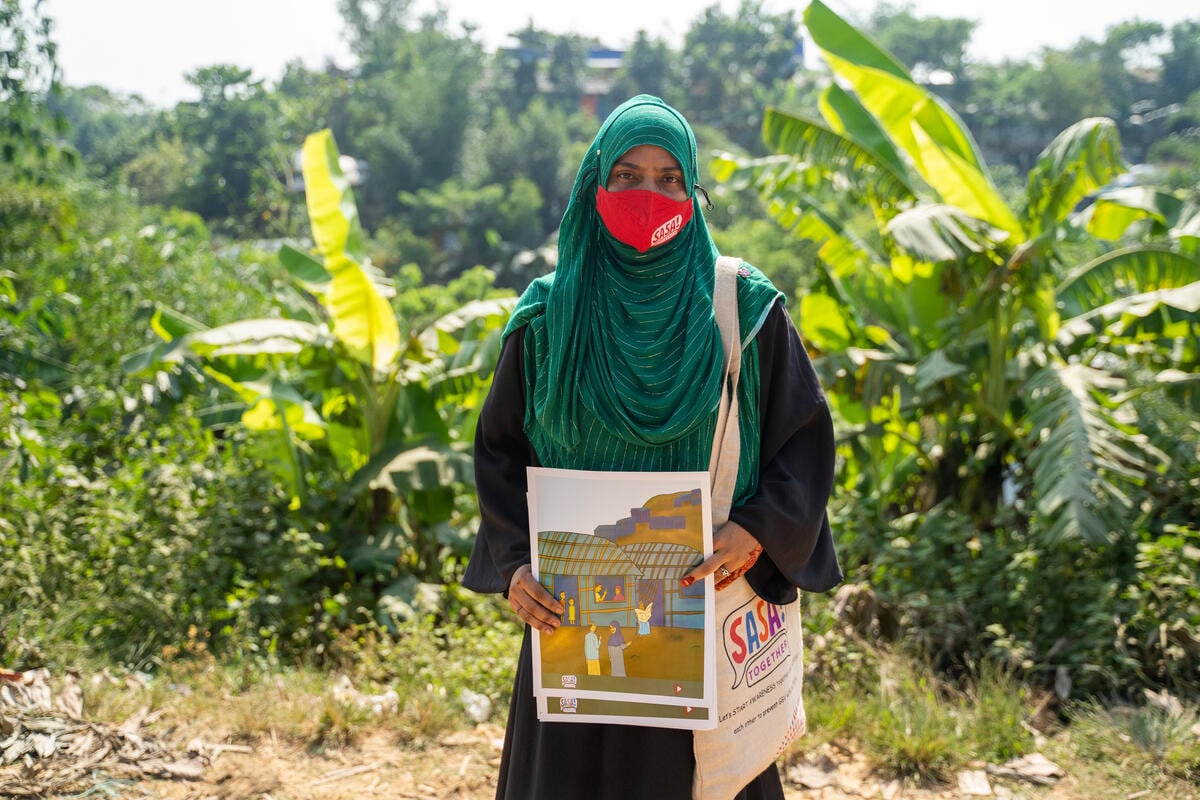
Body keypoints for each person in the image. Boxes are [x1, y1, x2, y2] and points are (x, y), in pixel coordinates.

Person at [463, 94, 841, 800]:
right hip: (578, 629)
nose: (649, 195)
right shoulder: (547, 318)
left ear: (694, 191)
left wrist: (757, 532)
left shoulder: (744, 309)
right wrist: (514, 563)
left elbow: (804, 444)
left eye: (670, 179)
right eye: (628, 175)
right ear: (594, 186)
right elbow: (499, 451)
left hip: (706, 615)